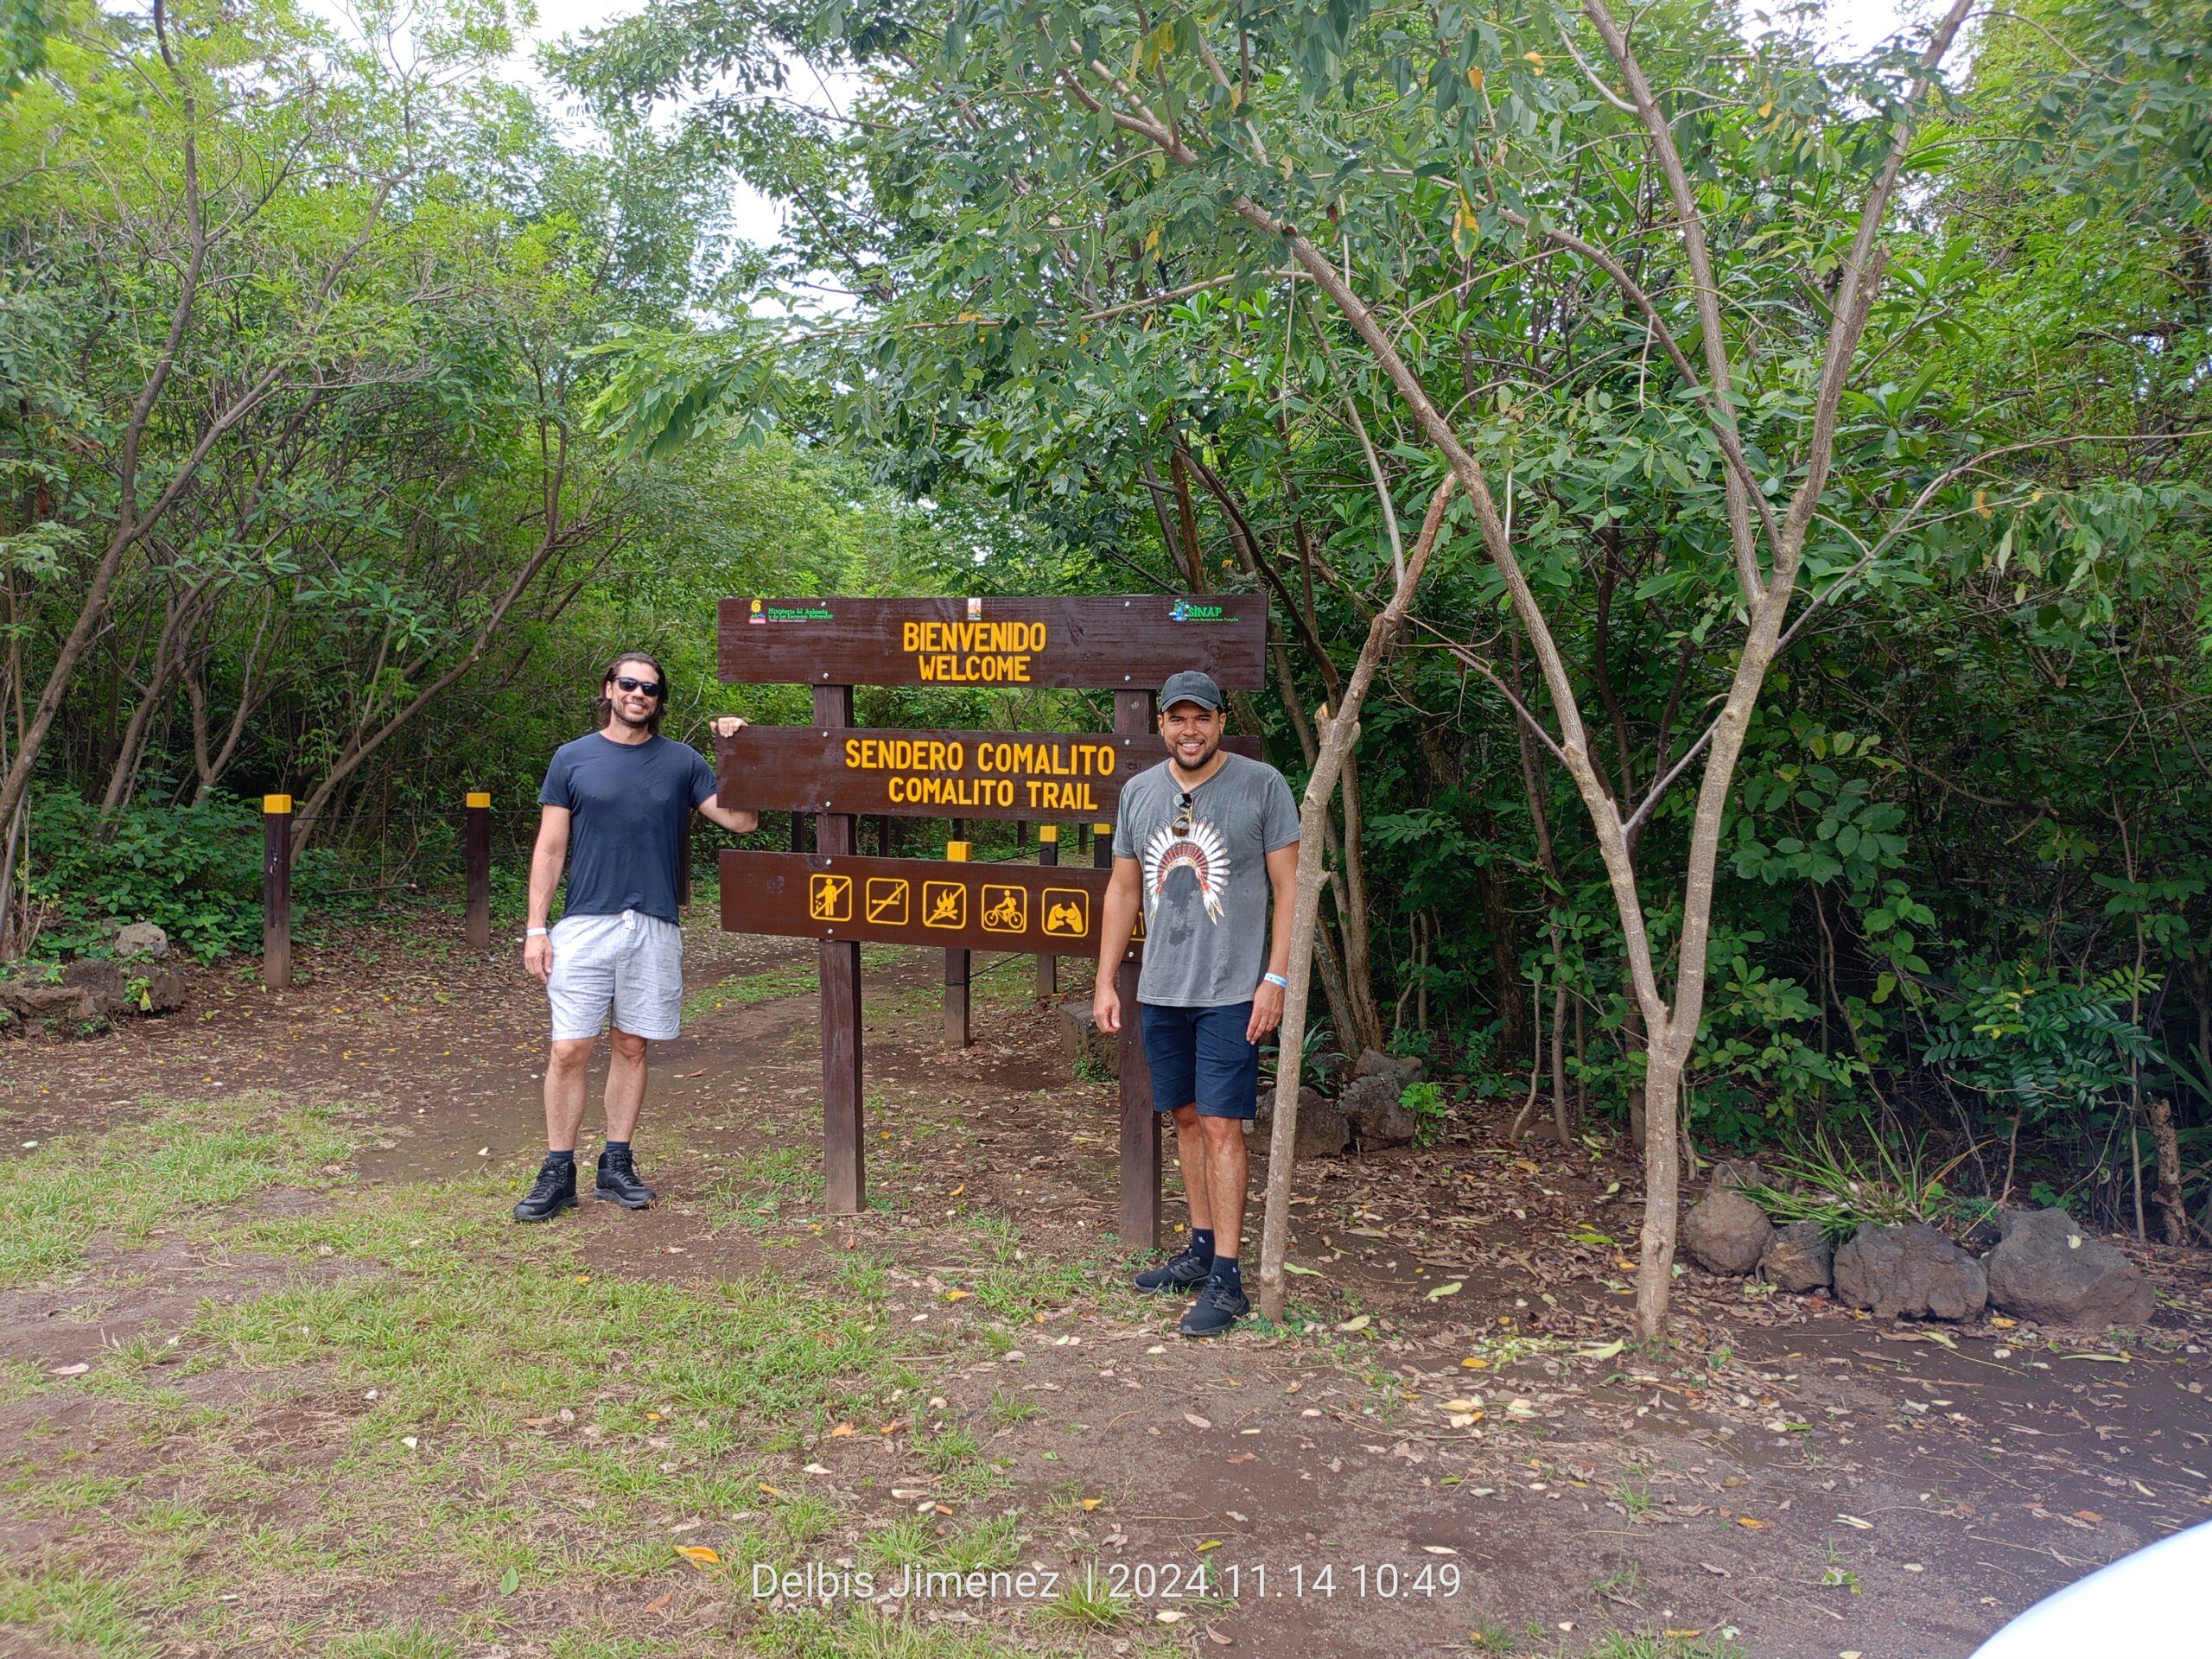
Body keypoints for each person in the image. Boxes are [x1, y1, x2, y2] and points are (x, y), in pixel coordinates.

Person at [512, 653, 759, 1223]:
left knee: (632, 1045)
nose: (638, 694)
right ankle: (557, 1172)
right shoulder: (572, 759)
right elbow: (549, 849)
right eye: (629, 684)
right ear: (609, 689)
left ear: (658, 699)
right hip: (584, 924)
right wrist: (535, 928)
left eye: (650, 688)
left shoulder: (681, 762)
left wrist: (737, 749)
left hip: (653, 923)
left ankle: (616, 1164)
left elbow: (741, 821)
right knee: (570, 1047)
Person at [1094, 670, 1300, 1336]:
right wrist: (1105, 980)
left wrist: (1277, 979)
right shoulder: (1141, 793)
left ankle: (1230, 1280)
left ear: (1220, 721)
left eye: (1201, 718)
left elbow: (1290, 888)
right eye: (1177, 719)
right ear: (1161, 724)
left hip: (1233, 989)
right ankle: (1201, 1248)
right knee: (1184, 1119)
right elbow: (1123, 891)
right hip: (1163, 988)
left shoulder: (1261, 786)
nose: (1190, 730)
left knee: (1221, 1126)